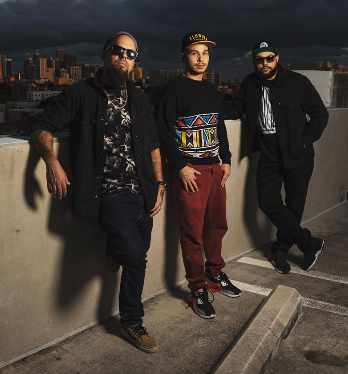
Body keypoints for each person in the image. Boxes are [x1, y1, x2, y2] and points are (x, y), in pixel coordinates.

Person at [29, 31, 165, 353]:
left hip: (143, 190)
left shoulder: (140, 99)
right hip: (108, 193)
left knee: (136, 252)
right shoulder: (80, 93)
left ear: (135, 62)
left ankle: (114, 250)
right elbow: (41, 126)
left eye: (131, 54)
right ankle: (132, 321)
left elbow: (153, 145)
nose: (123, 57)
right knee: (136, 257)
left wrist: (160, 185)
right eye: (118, 51)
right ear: (105, 55)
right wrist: (52, 162)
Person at [224, 40, 328, 274]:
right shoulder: (249, 83)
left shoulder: (297, 82)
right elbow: (237, 108)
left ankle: (279, 250)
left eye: (269, 58)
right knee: (267, 201)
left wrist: (304, 141)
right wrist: (212, 114)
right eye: (260, 59)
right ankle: (308, 243)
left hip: (298, 155)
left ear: (277, 59)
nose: (265, 63)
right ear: (254, 62)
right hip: (269, 153)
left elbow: (320, 115)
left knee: (294, 207)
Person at [157, 32, 241, 321]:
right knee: (192, 232)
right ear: (184, 57)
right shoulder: (173, 90)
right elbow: (163, 132)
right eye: (195, 53)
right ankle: (197, 288)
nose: (201, 58)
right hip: (190, 171)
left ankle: (215, 274)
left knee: (217, 226)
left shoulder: (213, 91)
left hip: (214, 168)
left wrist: (226, 160)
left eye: (205, 53)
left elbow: (219, 128)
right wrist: (180, 166)